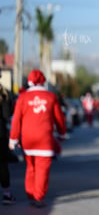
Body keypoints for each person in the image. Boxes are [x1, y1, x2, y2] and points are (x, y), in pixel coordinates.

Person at [8, 69, 66, 208]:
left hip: (27, 139)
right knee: (42, 168)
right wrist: (62, 133)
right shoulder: (51, 97)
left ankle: (30, 194)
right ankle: (38, 197)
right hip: (44, 139)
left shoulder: (22, 98)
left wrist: (13, 139)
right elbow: (59, 118)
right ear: (43, 81)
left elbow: (16, 120)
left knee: (30, 167)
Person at [0, 79, 16, 205]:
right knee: (2, 165)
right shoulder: (4, 95)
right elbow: (6, 115)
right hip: (0, 135)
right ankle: (6, 194)